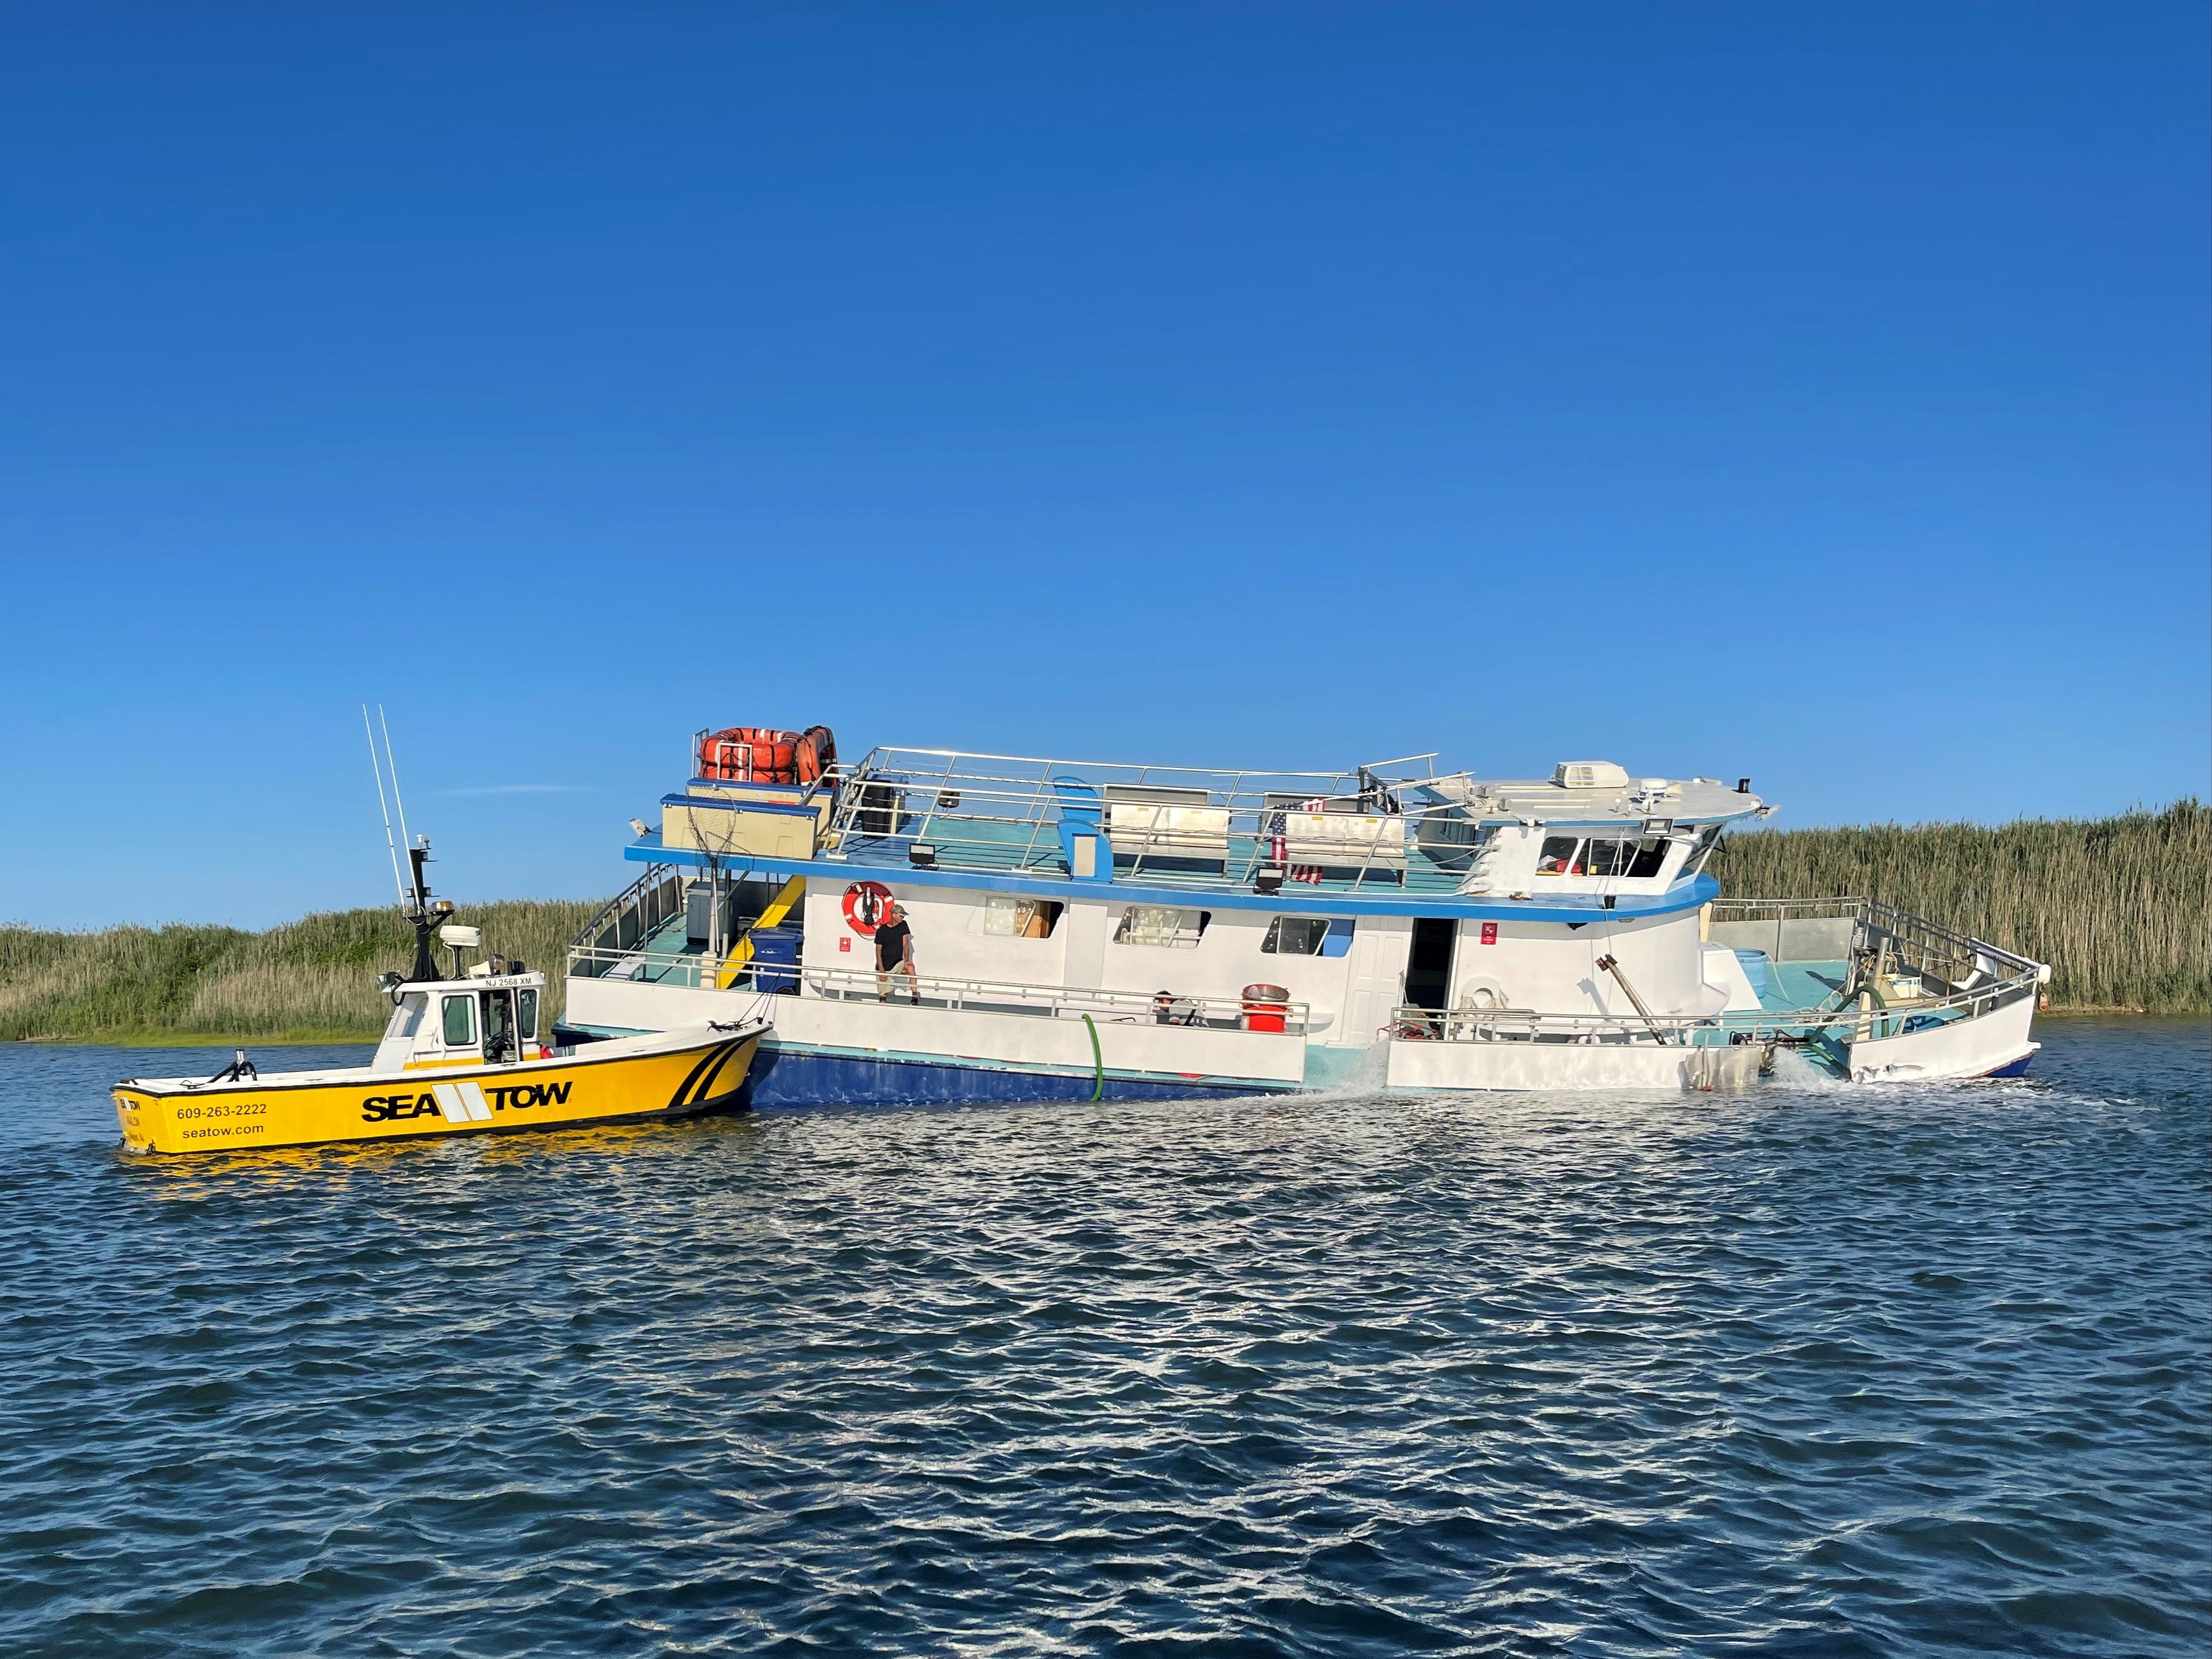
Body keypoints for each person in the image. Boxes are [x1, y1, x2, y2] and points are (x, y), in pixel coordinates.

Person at [874, 900, 919, 1004]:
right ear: (894, 915)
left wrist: (907, 960)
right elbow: (878, 952)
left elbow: (906, 944)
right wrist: (882, 971)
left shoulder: (903, 925)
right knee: (883, 996)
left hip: (898, 963)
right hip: (885, 966)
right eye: (901, 916)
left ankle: (915, 996)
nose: (903, 918)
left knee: (910, 967)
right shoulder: (882, 931)